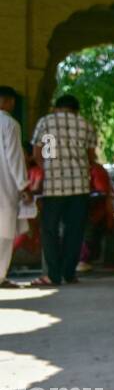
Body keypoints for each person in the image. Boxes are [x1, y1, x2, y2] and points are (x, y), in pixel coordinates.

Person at [29, 93, 96, 286]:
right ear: (76, 110)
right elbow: (91, 157)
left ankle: (53, 275)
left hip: (53, 188)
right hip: (79, 186)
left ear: (57, 107)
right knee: (74, 231)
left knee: (49, 230)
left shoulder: (45, 122)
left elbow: (37, 153)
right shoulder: (86, 124)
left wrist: (49, 169)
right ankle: (69, 274)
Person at [0, 85, 30, 288]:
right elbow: (14, 157)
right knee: (4, 232)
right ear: (7, 101)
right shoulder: (9, 124)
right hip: (4, 185)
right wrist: (23, 185)